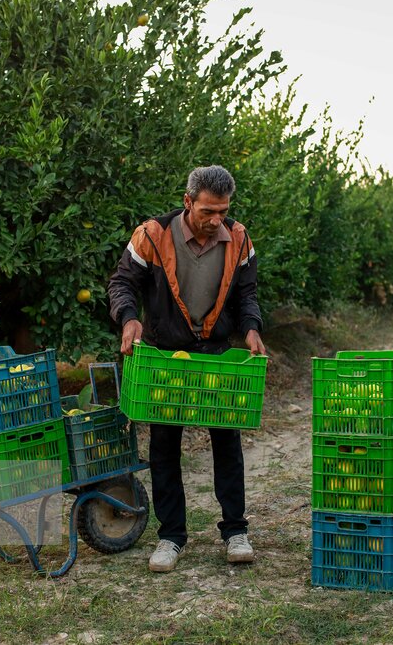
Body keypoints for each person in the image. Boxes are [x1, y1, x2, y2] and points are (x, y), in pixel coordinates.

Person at [107, 164, 268, 573]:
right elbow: (122, 283)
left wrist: (251, 329)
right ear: (187, 202)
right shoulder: (152, 236)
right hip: (166, 354)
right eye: (208, 212)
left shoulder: (239, 239)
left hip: (214, 351)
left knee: (225, 439)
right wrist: (129, 318)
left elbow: (247, 294)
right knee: (164, 445)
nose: (217, 221)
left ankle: (235, 530)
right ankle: (171, 536)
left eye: (223, 212)